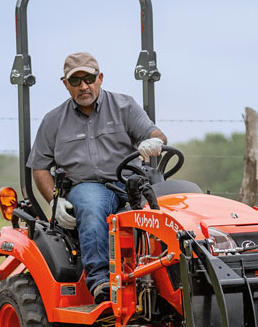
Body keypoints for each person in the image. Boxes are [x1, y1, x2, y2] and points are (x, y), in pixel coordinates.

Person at [26, 51, 167, 303]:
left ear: (100, 77)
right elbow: (39, 167)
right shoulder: (53, 121)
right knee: (92, 206)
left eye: (89, 79)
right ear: (65, 84)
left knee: (171, 203)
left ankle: (172, 274)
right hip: (87, 186)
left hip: (130, 181)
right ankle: (101, 282)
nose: (83, 86)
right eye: (75, 81)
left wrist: (153, 141)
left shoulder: (124, 106)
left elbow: (154, 132)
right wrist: (53, 201)